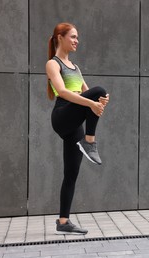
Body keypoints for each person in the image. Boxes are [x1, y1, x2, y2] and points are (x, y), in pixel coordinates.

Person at [46, 22, 109, 235]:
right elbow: (63, 92)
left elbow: (88, 93)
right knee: (98, 91)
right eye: (73, 37)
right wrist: (92, 102)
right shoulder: (53, 64)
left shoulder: (76, 68)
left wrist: (100, 101)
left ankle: (63, 222)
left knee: (71, 173)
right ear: (60, 37)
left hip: (74, 122)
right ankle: (89, 141)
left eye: (77, 37)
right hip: (62, 115)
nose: (76, 41)